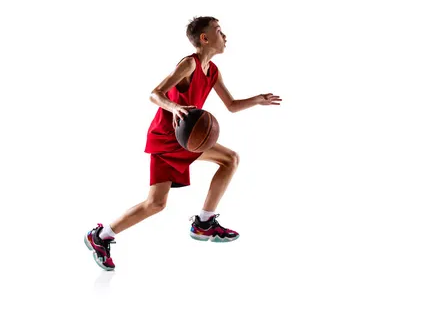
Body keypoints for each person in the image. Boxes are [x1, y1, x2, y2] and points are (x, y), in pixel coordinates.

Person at [84, 16, 282, 271]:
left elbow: (231, 106)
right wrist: (174, 106)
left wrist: (257, 99)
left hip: (185, 140)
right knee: (221, 164)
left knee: (157, 203)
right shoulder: (189, 64)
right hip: (167, 138)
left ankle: (102, 236)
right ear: (205, 38)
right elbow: (155, 93)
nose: (225, 36)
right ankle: (202, 222)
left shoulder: (213, 71)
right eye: (219, 31)